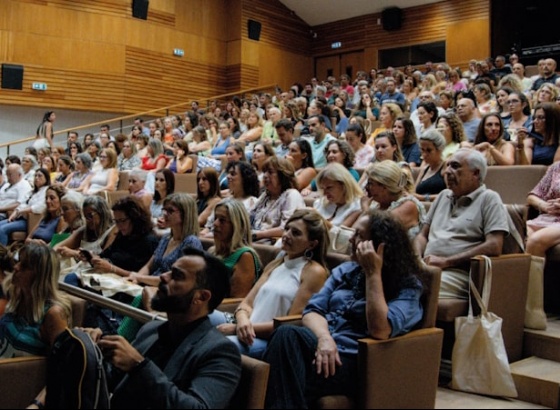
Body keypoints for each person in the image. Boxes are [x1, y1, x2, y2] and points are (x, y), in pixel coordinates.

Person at [38, 247, 243, 409]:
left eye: (177, 276)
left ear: (201, 297)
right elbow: (111, 381)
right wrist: (93, 352)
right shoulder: (151, 329)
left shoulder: (221, 352)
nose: (163, 277)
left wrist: (138, 366)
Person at [262, 210, 425, 408]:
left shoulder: (407, 286)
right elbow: (312, 311)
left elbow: (380, 329)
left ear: (379, 246)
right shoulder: (346, 270)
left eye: (359, 236)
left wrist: (373, 273)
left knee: (281, 369)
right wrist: (324, 339)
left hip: (356, 359)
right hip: (323, 346)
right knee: (285, 335)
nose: (351, 240)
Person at [210, 208, 330, 359]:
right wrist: (241, 320)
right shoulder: (277, 263)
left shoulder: (314, 272)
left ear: (312, 244)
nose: (286, 235)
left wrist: (237, 329)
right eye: (287, 229)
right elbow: (246, 303)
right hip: (245, 324)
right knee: (196, 314)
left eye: (296, 233)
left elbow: (291, 323)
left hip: (266, 339)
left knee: (216, 345)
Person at [413, 148, 509, 299]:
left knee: (412, 285)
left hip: (458, 273)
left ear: (475, 173)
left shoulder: (489, 198)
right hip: (426, 267)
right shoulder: (443, 196)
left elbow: (494, 245)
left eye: (455, 166)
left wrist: (447, 262)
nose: (447, 172)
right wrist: (417, 258)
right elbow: (422, 235)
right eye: (448, 166)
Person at [0, 243, 71, 358]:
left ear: (41, 276)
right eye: (19, 261)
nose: (16, 267)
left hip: (17, 373)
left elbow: (61, 365)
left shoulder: (53, 314)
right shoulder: (16, 295)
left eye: (25, 266)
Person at [127, 193, 203, 287]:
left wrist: (140, 278)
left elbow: (174, 278)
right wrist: (135, 279)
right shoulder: (166, 238)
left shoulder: (191, 242)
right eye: (164, 210)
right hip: (150, 286)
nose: (165, 214)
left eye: (170, 211)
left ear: (185, 214)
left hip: (168, 292)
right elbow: (148, 266)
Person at [206, 197, 262, 297]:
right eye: (215, 219)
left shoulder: (245, 256)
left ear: (236, 225)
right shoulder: (212, 251)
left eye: (222, 220)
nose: (215, 224)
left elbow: (236, 301)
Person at [363, 160, 425, 240]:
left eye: (370, 183)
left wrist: (365, 208)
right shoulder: (377, 205)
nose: (366, 188)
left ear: (384, 187)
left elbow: (379, 232)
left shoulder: (409, 205)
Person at [250, 157, 305, 245]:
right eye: (264, 172)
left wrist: (257, 234)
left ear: (283, 175)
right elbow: (249, 214)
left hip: (271, 243)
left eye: (270, 172)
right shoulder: (266, 195)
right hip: (255, 238)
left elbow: (286, 228)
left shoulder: (292, 195)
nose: (265, 176)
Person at [54, 194, 113, 268]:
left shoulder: (112, 231)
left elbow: (102, 260)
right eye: (85, 217)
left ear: (102, 213)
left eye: (90, 216)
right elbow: (58, 247)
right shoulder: (84, 230)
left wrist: (75, 253)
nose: (87, 221)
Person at [0, 168, 50, 246]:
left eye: (40, 176)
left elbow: (39, 207)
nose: (37, 178)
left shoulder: (47, 191)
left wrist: (22, 211)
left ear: (46, 178)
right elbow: (22, 203)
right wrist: (16, 211)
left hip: (29, 220)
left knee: (2, 229)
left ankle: (2, 255)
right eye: (35, 176)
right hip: (19, 217)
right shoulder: (32, 191)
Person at [313, 163, 363, 230]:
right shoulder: (319, 203)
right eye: (322, 188)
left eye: (329, 188)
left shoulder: (357, 206)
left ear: (344, 185)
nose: (324, 193)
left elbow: (340, 236)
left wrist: (315, 216)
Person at [414, 129, 447, 202]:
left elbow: (450, 194)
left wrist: (423, 198)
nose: (424, 154)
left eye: (429, 150)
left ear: (439, 149)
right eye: (422, 150)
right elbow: (414, 192)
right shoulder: (424, 169)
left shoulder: (446, 167)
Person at [150, 168, 175, 236]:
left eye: (161, 180)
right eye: (156, 179)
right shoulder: (153, 201)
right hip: (153, 229)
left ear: (168, 183)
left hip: (165, 232)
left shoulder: (173, 202)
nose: (157, 182)